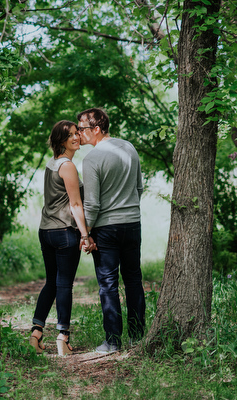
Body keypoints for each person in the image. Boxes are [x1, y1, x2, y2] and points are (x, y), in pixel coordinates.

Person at [77, 108, 145, 353]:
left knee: (108, 284)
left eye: (82, 129)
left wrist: (86, 233)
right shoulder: (129, 148)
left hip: (106, 228)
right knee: (134, 280)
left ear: (96, 129)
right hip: (133, 224)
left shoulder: (92, 159)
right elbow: (139, 188)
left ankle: (113, 341)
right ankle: (137, 338)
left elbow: (92, 204)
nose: (79, 134)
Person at [29, 120, 90, 356]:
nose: (76, 137)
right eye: (71, 135)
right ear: (60, 140)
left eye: (77, 133)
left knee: (52, 283)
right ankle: (63, 336)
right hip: (65, 232)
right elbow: (75, 203)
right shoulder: (67, 166)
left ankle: (36, 333)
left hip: (46, 231)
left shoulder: (51, 163)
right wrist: (85, 234)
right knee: (64, 284)